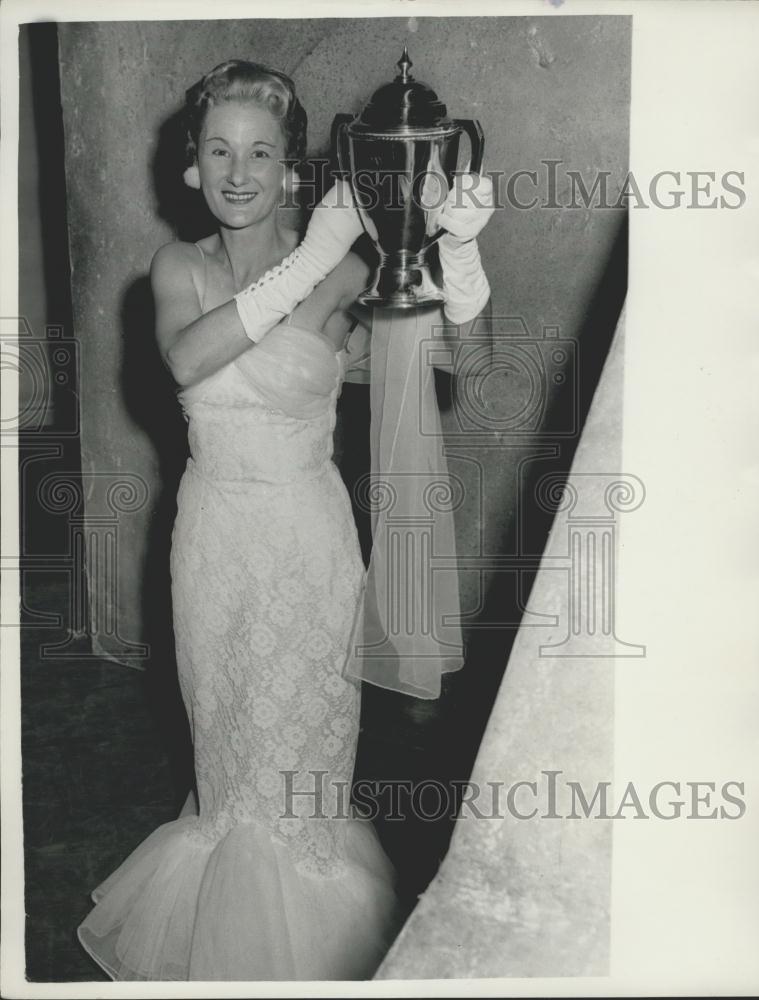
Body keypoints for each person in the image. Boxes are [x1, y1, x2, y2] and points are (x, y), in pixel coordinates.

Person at [77, 59, 493, 982]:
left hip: (310, 549)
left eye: (261, 152)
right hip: (214, 547)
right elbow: (191, 360)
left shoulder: (350, 268)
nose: (238, 171)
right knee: (230, 766)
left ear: (294, 169)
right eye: (218, 150)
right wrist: (307, 261)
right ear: (189, 166)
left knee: (306, 777)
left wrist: (458, 256)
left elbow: (458, 364)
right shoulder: (176, 268)